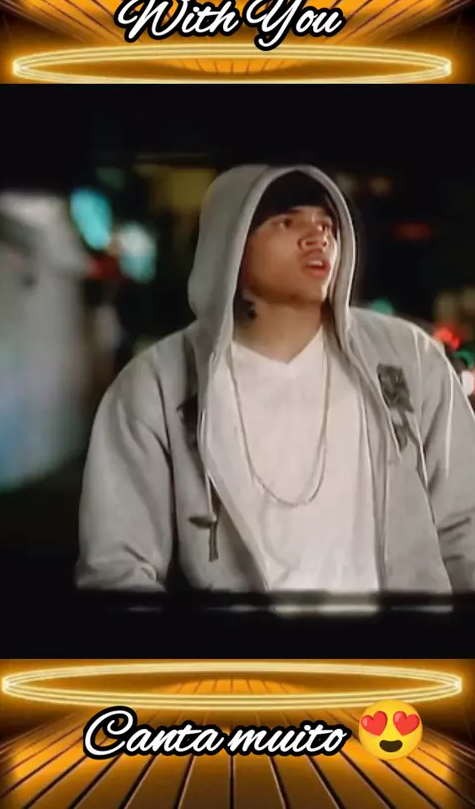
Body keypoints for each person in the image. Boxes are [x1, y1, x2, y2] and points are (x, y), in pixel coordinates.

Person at [76, 165, 475, 594]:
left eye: (327, 224)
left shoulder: (408, 359)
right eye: (287, 222)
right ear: (230, 242)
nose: (318, 237)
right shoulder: (157, 384)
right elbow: (117, 567)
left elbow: (465, 523)